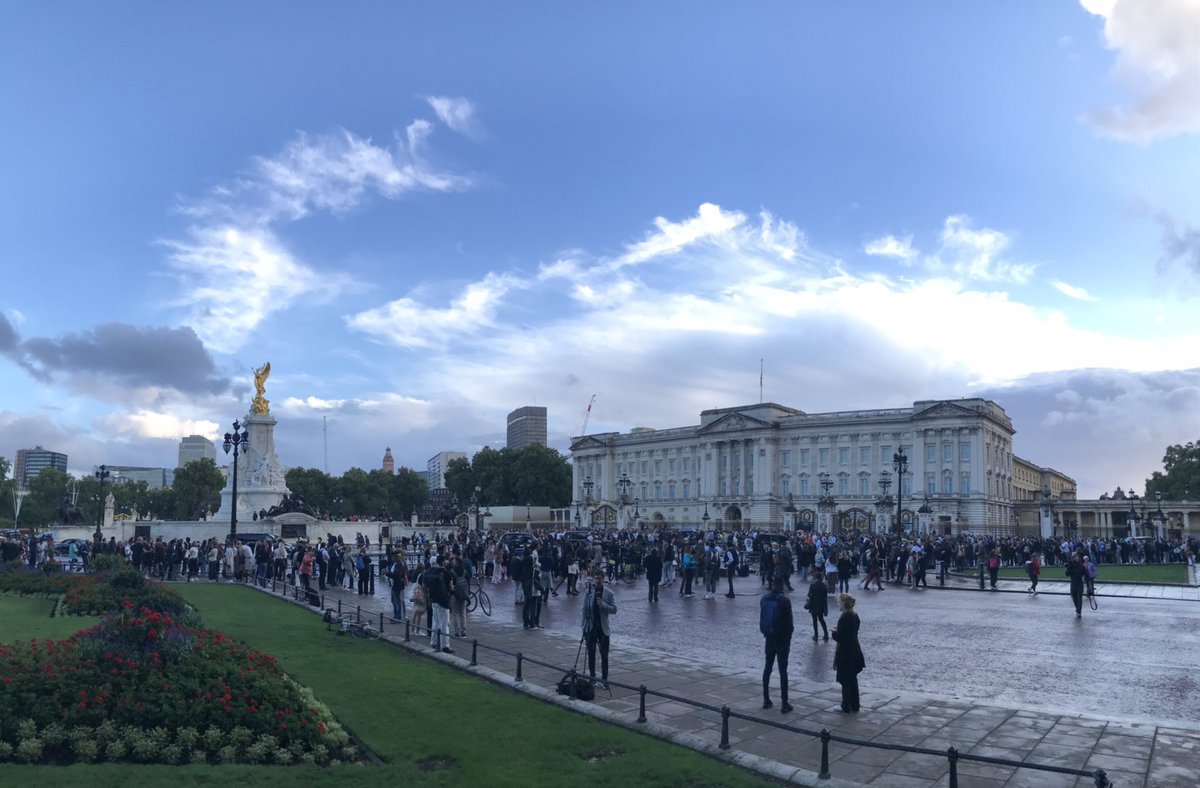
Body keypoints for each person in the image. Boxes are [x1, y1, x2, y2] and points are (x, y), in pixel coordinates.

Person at [760, 576, 794, 713]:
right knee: (782, 670)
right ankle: (784, 702)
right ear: (782, 586)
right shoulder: (784, 601)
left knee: (767, 668)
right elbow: (789, 623)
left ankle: (766, 699)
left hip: (769, 637)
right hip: (782, 639)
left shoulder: (764, 599)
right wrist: (789, 635)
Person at [581, 568, 617, 689]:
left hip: (603, 627)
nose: (597, 580)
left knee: (604, 655)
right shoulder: (588, 591)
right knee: (591, 653)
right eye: (596, 578)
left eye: (599, 578)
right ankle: (592, 677)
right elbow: (584, 610)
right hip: (591, 626)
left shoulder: (609, 593)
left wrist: (603, 605)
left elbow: (614, 609)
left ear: (603, 579)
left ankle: (604, 679)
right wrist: (584, 626)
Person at [832, 593, 865, 713]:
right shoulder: (855, 616)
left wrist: (834, 634)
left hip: (845, 652)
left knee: (845, 680)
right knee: (853, 679)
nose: (838, 604)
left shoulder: (844, 617)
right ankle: (855, 704)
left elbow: (842, 637)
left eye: (839, 602)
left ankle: (846, 705)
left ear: (843, 603)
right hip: (855, 650)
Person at [424, 556, 453, 652]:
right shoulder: (446, 573)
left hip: (433, 600)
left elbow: (426, 586)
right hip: (443, 601)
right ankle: (445, 645)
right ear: (443, 562)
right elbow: (451, 587)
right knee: (444, 624)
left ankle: (434, 642)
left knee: (435, 622)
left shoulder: (432, 572)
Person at [806, 574, 829, 641]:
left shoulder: (812, 585)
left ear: (816, 577)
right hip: (821, 606)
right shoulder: (824, 586)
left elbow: (809, 594)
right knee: (821, 620)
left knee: (814, 620)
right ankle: (826, 634)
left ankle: (816, 635)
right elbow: (825, 597)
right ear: (821, 578)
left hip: (813, 605)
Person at [1066, 553, 1086, 618]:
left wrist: (1089, 585)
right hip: (1073, 584)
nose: (1075, 559)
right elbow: (1067, 574)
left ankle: (1079, 611)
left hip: (1079, 584)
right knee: (1074, 598)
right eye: (1074, 557)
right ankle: (1078, 609)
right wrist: (1068, 567)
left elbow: (1086, 575)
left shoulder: (1081, 567)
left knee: (1079, 598)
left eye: (1076, 557)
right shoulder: (1071, 566)